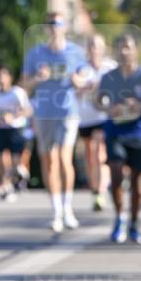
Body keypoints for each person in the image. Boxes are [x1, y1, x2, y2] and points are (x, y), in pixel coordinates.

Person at [97, 33, 141, 244]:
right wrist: (109, 108)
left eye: (128, 47)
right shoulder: (108, 77)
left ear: (136, 50)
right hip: (115, 132)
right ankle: (119, 218)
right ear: (115, 51)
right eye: (120, 47)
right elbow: (98, 103)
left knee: (138, 183)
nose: (124, 51)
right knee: (116, 173)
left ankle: (134, 223)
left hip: (140, 133)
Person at [22, 13, 86, 232]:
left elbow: (84, 79)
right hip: (43, 112)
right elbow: (24, 84)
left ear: (64, 26)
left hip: (67, 111)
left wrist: (78, 81)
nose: (53, 28)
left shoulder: (76, 52)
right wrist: (38, 78)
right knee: (49, 160)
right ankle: (56, 210)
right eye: (49, 24)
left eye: (57, 24)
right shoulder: (36, 53)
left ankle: (68, 208)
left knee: (63, 157)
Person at [76, 34, 115, 211]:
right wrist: (86, 86)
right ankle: (95, 189)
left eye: (97, 46)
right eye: (91, 45)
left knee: (100, 152)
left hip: (104, 117)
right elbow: (75, 89)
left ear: (103, 48)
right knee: (90, 156)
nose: (94, 49)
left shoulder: (110, 67)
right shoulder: (82, 68)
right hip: (86, 117)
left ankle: (101, 189)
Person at [0, 66, 32, 201]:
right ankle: (5, 185)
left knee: (15, 160)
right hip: (0, 129)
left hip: (15, 129)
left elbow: (28, 110)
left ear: (10, 78)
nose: (1, 79)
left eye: (4, 75)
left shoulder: (18, 92)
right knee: (0, 158)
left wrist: (13, 116)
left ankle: (16, 177)